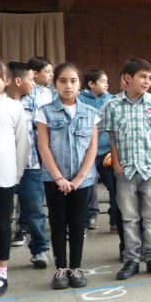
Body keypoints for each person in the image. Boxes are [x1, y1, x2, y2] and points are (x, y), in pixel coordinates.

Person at [102, 58, 151, 280]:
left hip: (150, 170)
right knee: (129, 218)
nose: (147, 81)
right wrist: (117, 165)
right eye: (142, 77)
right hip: (126, 171)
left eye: (149, 78)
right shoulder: (113, 105)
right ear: (127, 78)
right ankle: (131, 259)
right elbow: (112, 137)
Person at [36, 63, 99, 289]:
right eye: (63, 81)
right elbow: (44, 147)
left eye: (73, 81)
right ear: (55, 84)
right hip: (54, 179)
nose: (68, 86)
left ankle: (76, 267)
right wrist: (59, 178)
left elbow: (92, 148)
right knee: (58, 222)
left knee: (78, 222)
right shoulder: (45, 111)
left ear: (80, 84)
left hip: (82, 180)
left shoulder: (91, 113)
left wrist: (80, 178)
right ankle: (61, 269)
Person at [6, 62, 51, 268]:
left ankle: (40, 250)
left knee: (35, 211)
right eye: (31, 80)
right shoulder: (2, 104)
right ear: (18, 81)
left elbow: (41, 135)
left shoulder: (34, 103)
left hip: (31, 167)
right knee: (3, 215)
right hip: (4, 168)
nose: (33, 84)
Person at [0, 60, 29, 297]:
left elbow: (22, 143)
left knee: (2, 224)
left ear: (7, 80)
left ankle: (2, 271)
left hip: (4, 176)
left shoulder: (13, 107)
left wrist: (17, 173)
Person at [78, 69, 115, 232]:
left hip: (108, 152)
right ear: (91, 84)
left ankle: (115, 220)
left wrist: (113, 151)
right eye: (103, 81)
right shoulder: (80, 100)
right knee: (87, 188)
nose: (107, 84)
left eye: (107, 81)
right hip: (87, 153)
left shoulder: (112, 100)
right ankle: (88, 219)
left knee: (114, 188)